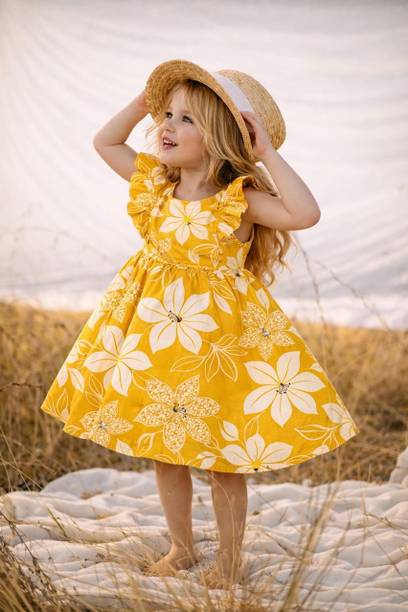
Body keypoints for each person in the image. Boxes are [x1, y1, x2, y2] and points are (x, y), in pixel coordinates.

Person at [39, 59, 360, 589]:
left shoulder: (239, 201)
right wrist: (143, 102)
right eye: (166, 114)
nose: (167, 126)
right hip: (156, 338)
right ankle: (181, 546)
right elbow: (106, 142)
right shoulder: (155, 185)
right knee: (166, 449)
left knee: (221, 458)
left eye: (186, 119)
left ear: (220, 138)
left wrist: (265, 152)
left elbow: (305, 214)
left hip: (217, 347)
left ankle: (229, 560)